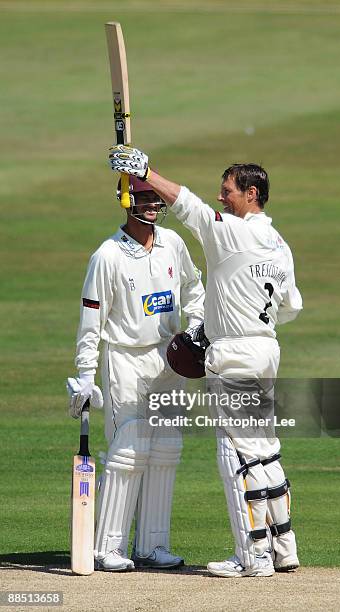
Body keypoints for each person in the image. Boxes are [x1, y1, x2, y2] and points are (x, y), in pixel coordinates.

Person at [108, 145, 303, 578]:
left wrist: (145, 171)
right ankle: (283, 548)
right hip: (266, 351)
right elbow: (290, 306)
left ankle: (252, 558)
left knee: (235, 455)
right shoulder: (279, 243)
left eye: (228, 191)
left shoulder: (232, 233)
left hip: (234, 356)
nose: (221, 198)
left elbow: (187, 205)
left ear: (251, 194)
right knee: (264, 450)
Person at [67, 175, 205, 571]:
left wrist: (195, 328)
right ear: (125, 201)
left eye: (154, 199)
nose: (151, 205)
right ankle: (107, 547)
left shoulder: (173, 245)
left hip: (170, 359)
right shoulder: (106, 256)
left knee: (166, 449)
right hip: (125, 359)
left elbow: (195, 289)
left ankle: (152, 546)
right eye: (143, 198)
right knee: (128, 451)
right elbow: (90, 323)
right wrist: (85, 375)